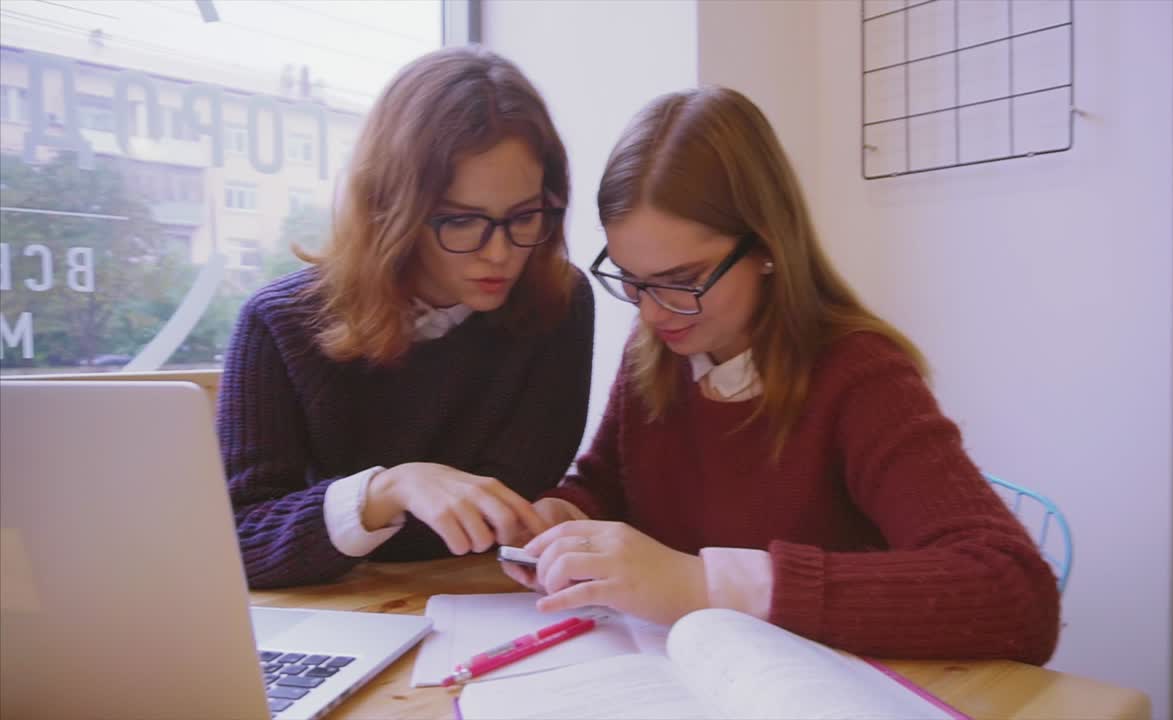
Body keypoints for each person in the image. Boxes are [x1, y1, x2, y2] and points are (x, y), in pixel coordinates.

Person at [504, 87, 1060, 664]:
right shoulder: (657, 353)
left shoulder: (860, 375)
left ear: (767, 246)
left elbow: (1016, 594)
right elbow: (607, 483)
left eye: (682, 279)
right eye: (631, 279)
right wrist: (565, 516)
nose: (651, 311)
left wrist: (707, 585)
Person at [218, 46, 594, 590]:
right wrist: (386, 490)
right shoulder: (278, 324)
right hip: (333, 614)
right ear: (392, 210)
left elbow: (504, 510)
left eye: (524, 216)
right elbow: (237, 544)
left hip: (482, 603)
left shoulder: (557, 302)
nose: (500, 253)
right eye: (462, 221)